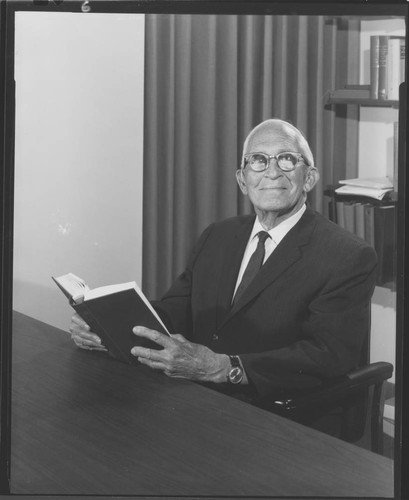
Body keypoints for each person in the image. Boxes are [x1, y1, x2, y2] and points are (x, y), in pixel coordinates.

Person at [69, 118, 377, 403]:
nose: (272, 172)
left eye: (287, 159)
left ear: (308, 178)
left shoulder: (348, 256)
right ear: (243, 180)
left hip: (271, 409)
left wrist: (224, 367)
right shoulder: (218, 235)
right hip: (192, 391)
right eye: (258, 161)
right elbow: (176, 310)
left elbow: (327, 355)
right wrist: (108, 328)